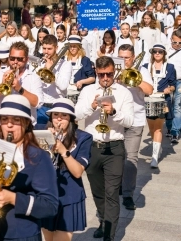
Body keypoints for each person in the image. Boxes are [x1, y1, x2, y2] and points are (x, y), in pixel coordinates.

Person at [0, 95, 58, 241]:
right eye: (4, 119)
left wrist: (13, 198)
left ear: (27, 123)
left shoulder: (38, 157)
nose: (9, 125)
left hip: (20, 234)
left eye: (16, 120)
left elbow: (50, 206)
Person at [75, 56, 134, 240]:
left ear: (113, 71)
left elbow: (130, 121)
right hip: (92, 146)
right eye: (101, 75)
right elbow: (76, 114)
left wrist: (114, 112)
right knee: (98, 192)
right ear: (96, 73)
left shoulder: (124, 93)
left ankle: (109, 234)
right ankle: (103, 221)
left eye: (109, 74)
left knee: (111, 193)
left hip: (114, 147)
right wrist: (92, 106)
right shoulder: (88, 91)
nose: (105, 78)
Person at [42, 98, 92, 241]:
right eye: (56, 115)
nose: (59, 119)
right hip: (46, 194)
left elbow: (77, 172)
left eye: (64, 115)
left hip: (70, 195)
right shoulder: (42, 132)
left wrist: (64, 150)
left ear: (70, 118)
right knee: (48, 238)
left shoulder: (83, 137)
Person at [117, 44, 153, 210]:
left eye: (127, 58)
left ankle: (128, 195)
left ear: (133, 57)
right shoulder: (115, 68)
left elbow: (150, 90)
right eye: (121, 57)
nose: (124, 61)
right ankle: (117, 186)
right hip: (116, 120)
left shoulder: (142, 70)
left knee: (131, 159)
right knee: (116, 158)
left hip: (135, 121)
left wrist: (135, 79)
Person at [0, 41, 44, 125]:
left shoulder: (34, 77)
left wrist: (19, 89)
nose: (15, 62)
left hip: (26, 125)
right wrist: (2, 85)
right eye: (12, 58)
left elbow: (38, 104)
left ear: (27, 59)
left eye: (20, 59)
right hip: (4, 125)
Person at [143, 43, 176, 167]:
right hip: (148, 100)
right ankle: (157, 147)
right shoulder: (146, 66)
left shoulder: (170, 67)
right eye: (155, 51)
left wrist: (170, 89)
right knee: (151, 128)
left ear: (164, 54)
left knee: (158, 128)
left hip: (162, 100)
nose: (157, 53)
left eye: (160, 52)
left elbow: (173, 84)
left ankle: (154, 157)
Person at [34, 34, 72, 129]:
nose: (46, 52)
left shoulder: (66, 65)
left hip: (58, 107)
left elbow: (63, 86)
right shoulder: (39, 65)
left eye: (49, 49)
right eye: (44, 48)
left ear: (56, 47)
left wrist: (52, 70)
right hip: (41, 107)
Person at [168, 29, 181, 143]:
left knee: (177, 107)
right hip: (168, 81)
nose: (177, 45)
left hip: (180, 81)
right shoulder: (166, 51)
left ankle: (175, 131)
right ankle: (169, 127)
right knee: (167, 106)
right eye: (175, 42)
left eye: (180, 43)